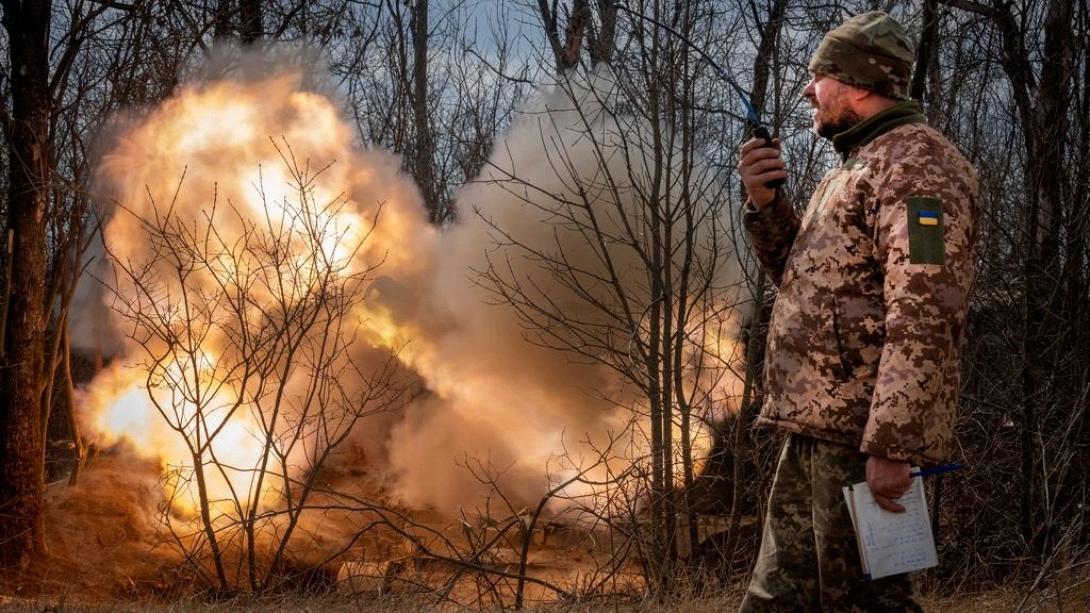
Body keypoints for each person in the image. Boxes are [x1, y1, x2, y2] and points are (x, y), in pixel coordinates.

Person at [736, 11, 979, 611]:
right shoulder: (853, 167)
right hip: (815, 429)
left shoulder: (918, 167)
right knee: (776, 600)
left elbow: (926, 311)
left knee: (868, 604)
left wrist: (894, 443)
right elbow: (809, 282)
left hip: (860, 435)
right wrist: (766, 204)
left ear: (860, 84)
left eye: (818, 76)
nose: (806, 90)